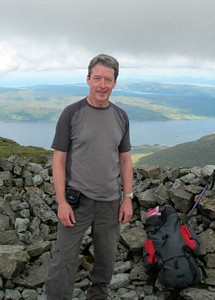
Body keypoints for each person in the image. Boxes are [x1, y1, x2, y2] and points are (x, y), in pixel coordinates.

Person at [45, 54, 133, 300]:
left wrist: (127, 197)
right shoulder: (71, 113)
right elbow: (59, 160)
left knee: (105, 263)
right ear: (88, 79)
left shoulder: (121, 116)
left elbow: (125, 159)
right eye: (97, 78)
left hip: (110, 203)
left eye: (108, 79)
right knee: (63, 260)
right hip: (76, 202)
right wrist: (62, 202)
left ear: (114, 82)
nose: (102, 85)